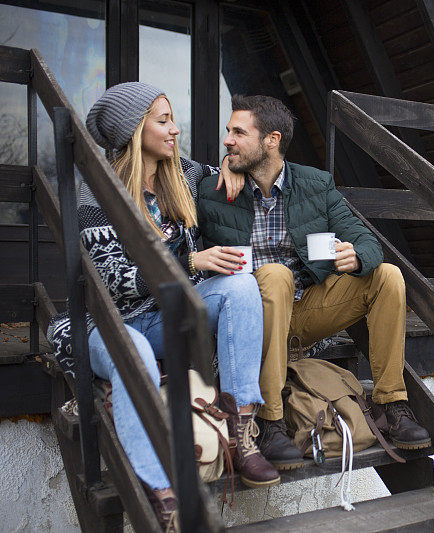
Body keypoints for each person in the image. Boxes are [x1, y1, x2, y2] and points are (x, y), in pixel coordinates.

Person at [47, 83, 279, 531]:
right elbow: (111, 278)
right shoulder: (96, 193)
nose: (175, 130)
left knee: (241, 287)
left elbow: (246, 165)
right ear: (134, 130)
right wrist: (188, 261)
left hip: (168, 315)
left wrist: (233, 169)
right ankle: (162, 495)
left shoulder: (185, 175)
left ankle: (242, 432)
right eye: (163, 120)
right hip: (110, 322)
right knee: (131, 352)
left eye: (172, 119)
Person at [196, 95, 431, 470]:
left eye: (238, 133)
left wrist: (357, 256)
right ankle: (270, 421)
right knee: (275, 274)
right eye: (228, 132)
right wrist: (226, 164)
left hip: (304, 310)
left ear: (272, 140)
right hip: (248, 319)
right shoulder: (211, 188)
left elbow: (368, 241)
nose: (228, 139)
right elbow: (166, 159)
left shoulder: (315, 184)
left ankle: (392, 403)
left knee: (387, 275)